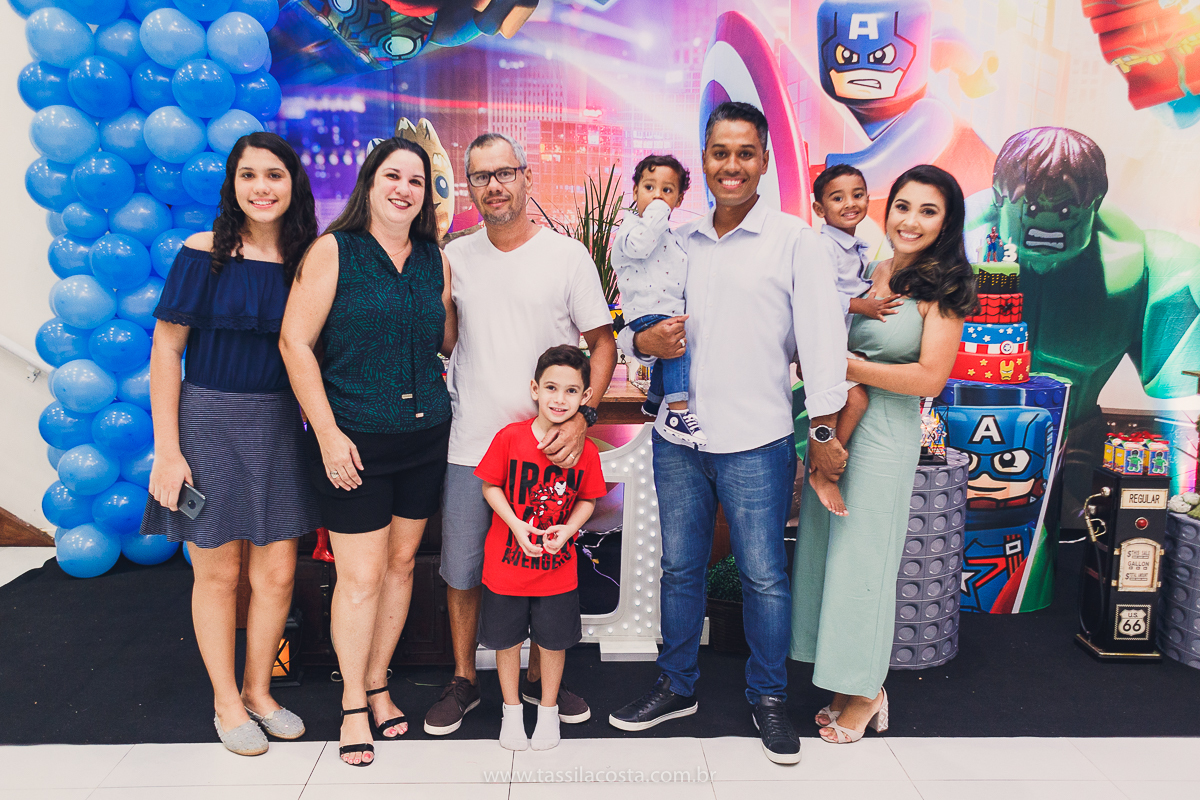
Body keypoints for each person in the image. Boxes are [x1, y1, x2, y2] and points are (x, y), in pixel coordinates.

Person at [610, 101, 850, 765]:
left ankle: (769, 698)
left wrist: (825, 431)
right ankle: (677, 684)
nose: (732, 165)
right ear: (705, 160)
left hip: (757, 440)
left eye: (745, 152)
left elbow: (824, 342)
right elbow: (636, 317)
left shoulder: (795, 240)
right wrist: (640, 338)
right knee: (681, 569)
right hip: (678, 440)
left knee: (764, 577)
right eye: (720, 153)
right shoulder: (677, 239)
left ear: (765, 160)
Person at [424, 132, 616, 737]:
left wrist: (583, 415)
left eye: (505, 172)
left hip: (553, 453)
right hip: (473, 444)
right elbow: (446, 343)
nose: (495, 185)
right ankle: (465, 680)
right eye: (481, 176)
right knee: (463, 568)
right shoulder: (456, 255)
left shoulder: (567, 257)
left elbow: (601, 343)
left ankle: (538, 680)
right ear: (470, 187)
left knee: (544, 564)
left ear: (527, 177)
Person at [141, 132, 321, 756]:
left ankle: (259, 691)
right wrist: (168, 450)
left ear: (293, 183)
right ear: (232, 185)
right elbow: (166, 350)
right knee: (217, 572)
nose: (262, 187)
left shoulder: (310, 258)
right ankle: (225, 701)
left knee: (276, 574)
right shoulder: (203, 253)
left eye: (274, 174)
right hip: (208, 425)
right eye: (248, 176)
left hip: (279, 427)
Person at [279, 137, 457, 767]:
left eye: (417, 179)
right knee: (357, 577)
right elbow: (295, 343)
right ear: (370, 183)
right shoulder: (334, 251)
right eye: (393, 176)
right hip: (353, 441)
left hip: (424, 437)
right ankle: (354, 701)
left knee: (402, 566)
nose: (405, 188)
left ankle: (379, 682)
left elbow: (444, 337)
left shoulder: (435, 259)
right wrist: (326, 434)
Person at [790, 164, 976, 744]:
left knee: (864, 565)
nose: (911, 220)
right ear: (885, 208)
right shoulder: (873, 271)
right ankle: (848, 683)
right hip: (837, 434)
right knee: (827, 555)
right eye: (903, 206)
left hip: (887, 439)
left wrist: (843, 365)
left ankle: (867, 692)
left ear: (946, 223)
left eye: (928, 211)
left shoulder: (944, 289)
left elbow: (929, 379)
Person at [475, 345, 607, 751]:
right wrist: (515, 525)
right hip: (505, 566)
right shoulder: (510, 438)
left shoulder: (583, 450)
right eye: (551, 387)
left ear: (585, 398)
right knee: (506, 642)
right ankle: (511, 711)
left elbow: (588, 499)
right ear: (534, 389)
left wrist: (567, 530)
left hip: (557, 571)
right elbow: (490, 485)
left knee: (552, 643)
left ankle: (548, 712)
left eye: (571, 391)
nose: (559, 399)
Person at [807, 164, 903, 516]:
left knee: (846, 400)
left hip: (838, 341)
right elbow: (815, 294)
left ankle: (824, 464)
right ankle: (826, 469)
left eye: (858, 195)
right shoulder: (821, 247)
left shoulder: (854, 245)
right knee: (855, 401)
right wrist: (863, 305)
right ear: (819, 209)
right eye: (837, 197)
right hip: (823, 342)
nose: (850, 203)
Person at [612, 154, 705, 448]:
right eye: (649, 187)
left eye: (667, 191)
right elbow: (639, 247)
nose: (657, 196)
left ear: (679, 198)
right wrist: (656, 212)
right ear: (635, 191)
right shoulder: (633, 230)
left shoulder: (672, 236)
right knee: (677, 351)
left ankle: (653, 403)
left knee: (668, 357)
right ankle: (677, 412)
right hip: (648, 312)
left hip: (663, 310)